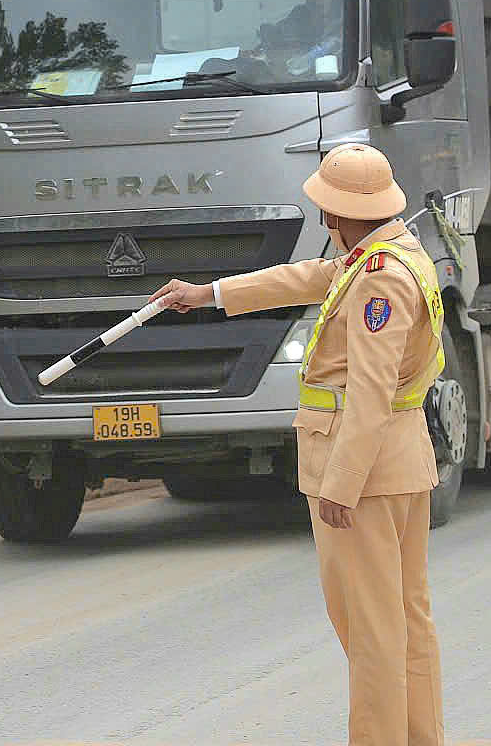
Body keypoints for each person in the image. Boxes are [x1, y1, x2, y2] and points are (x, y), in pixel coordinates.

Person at [151, 143, 444, 746]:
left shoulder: (375, 284)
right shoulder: (398, 257)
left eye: (327, 212)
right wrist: (206, 294)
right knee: (407, 624)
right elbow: (301, 278)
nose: (325, 223)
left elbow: (368, 392)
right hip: (402, 467)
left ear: (338, 214)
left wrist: (341, 481)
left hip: (363, 476)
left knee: (371, 635)